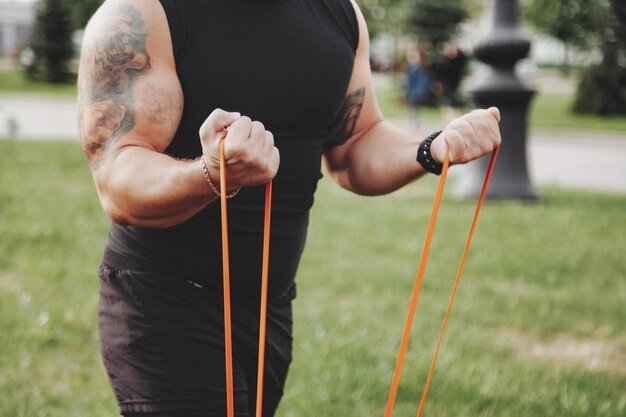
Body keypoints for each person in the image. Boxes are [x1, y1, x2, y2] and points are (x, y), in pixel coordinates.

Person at [77, 0, 501, 416]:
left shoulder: (341, 14)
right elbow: (118, 178)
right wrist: (211, 173)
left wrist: (431, 148)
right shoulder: (142, 13)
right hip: (163, 300)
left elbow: (355, 144)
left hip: (270, 310)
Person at [403, 47, 434, 124]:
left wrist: (410, 91)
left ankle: (417, 122)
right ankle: (416, 121)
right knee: (414, 108)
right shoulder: (414, 67)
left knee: (414, 107)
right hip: (415, 91)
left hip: (415, 91)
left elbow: (417, 81)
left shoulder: (417, 68)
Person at [439, 42, 468, 120]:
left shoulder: (458, 60)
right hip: (447, 84)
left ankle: (455, 116)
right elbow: (443, 73)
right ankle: (449, 116)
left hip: (454, 83)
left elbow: (463, 57)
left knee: (452, 100)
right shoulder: (447, 60)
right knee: (448, 100)